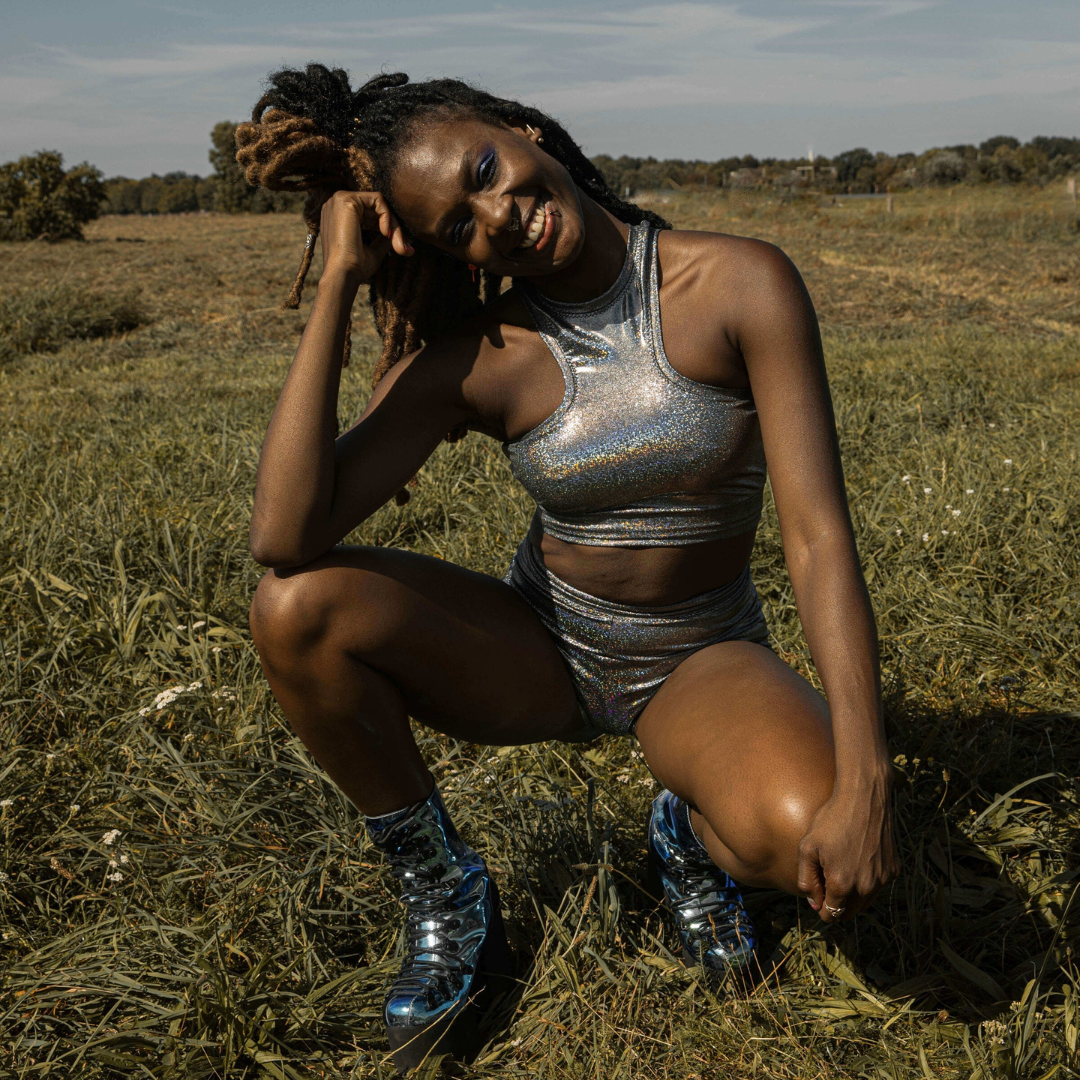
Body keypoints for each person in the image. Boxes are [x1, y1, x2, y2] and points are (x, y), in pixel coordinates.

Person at [238, 64, 898, 1072]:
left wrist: (868, 774)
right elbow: (285, 535)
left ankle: (688, 830)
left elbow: (817, 540)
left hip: (699, 661)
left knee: (807, 834)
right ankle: (445, 892)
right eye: (458, 227)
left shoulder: (737, 284)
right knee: (293, 608)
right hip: (542, 649)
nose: (498, 217)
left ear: (524, 130)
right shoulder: (484, 354)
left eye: (485, 171)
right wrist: (336, 283)